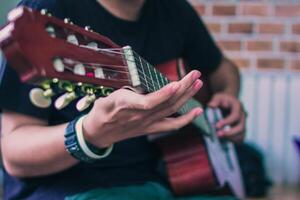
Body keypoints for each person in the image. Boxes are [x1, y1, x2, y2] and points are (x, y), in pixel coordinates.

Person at [0, 0, 246, 199]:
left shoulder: (174, 10)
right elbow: (14, 156)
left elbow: (223, 69)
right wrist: (88, 135)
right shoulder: (46, 11)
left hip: (170, 179)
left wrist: (227, 95)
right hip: (76, 189)